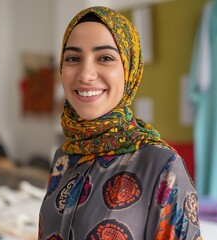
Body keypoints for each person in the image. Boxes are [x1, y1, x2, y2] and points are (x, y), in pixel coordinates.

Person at [39, 6, 201, 240]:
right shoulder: (64, 156)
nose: (85, 74)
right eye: (73, 58)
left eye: (105, 58)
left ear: (130, 69)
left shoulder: (161, 165)